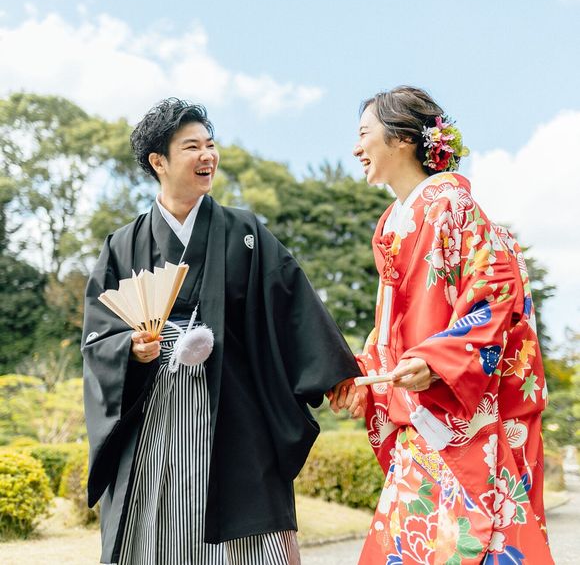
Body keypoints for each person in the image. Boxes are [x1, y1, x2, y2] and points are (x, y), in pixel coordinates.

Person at [81, 98, 361, 565]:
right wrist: (130, 348)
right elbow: (98, 335)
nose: (207, 155)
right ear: (158, 161)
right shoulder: (122, 245)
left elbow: (291, 304)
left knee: (252, 537)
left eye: (210, 145)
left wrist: (334, 374)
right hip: (154, 416)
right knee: (156, 531)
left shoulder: (244, 231)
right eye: (191, 147)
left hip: (234, 412)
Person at [347, 86, 553, 564]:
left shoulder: (451, 205)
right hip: (421, 420)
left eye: (364, 134)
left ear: (402, 138)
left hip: (460, 415)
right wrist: (362, 375)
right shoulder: (395, 222)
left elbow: (494, 289)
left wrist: (436, 360)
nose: (357, 149)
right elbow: (390, 330)